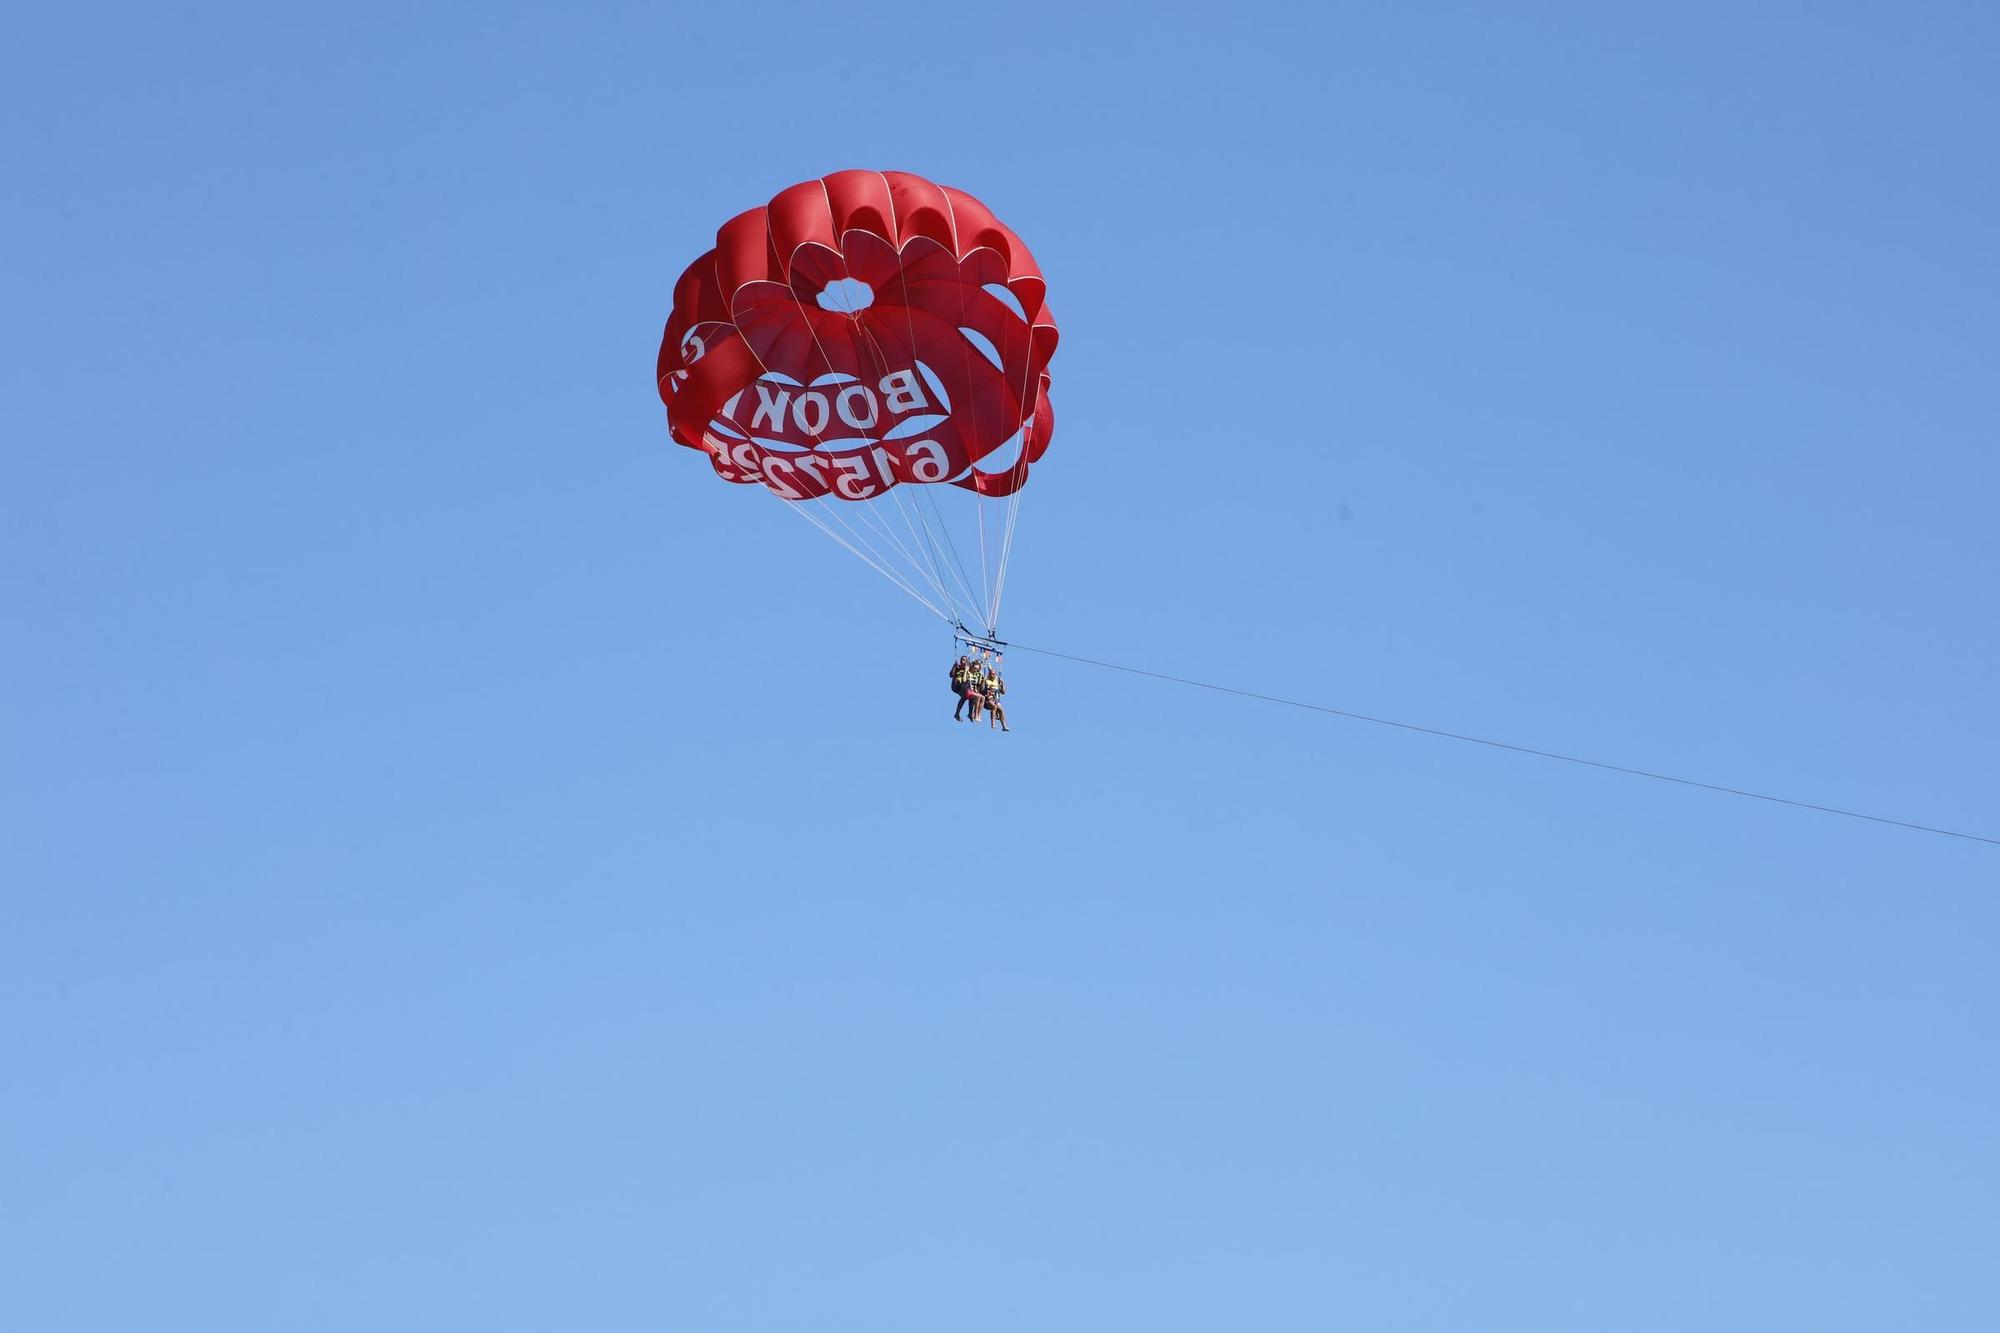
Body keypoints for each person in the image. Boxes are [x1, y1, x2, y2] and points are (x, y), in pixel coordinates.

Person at [983, 664, 1008, 731]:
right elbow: (982, 689)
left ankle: (1004, 726)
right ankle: (993, 723)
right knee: (994, 706)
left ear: (995, 675)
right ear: (989, 674)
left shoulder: (997, 681)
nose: (992, 675)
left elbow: (1003, 692)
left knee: (1001, 709)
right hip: (988, 700)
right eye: (991, 674)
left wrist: (1002, 684)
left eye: (993, 674)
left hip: (996, 699)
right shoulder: (986, 680)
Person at [951, 654, 974, 720]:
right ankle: (958, 714)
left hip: (963, 687)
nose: (962, 661)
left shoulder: (968, 668)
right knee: (964, 696)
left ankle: (968, 713)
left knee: (969, 697)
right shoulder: (958, 667)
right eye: (961, 659)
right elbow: (951, 675)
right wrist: (954, 667)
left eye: (964, 660)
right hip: (956, 686)